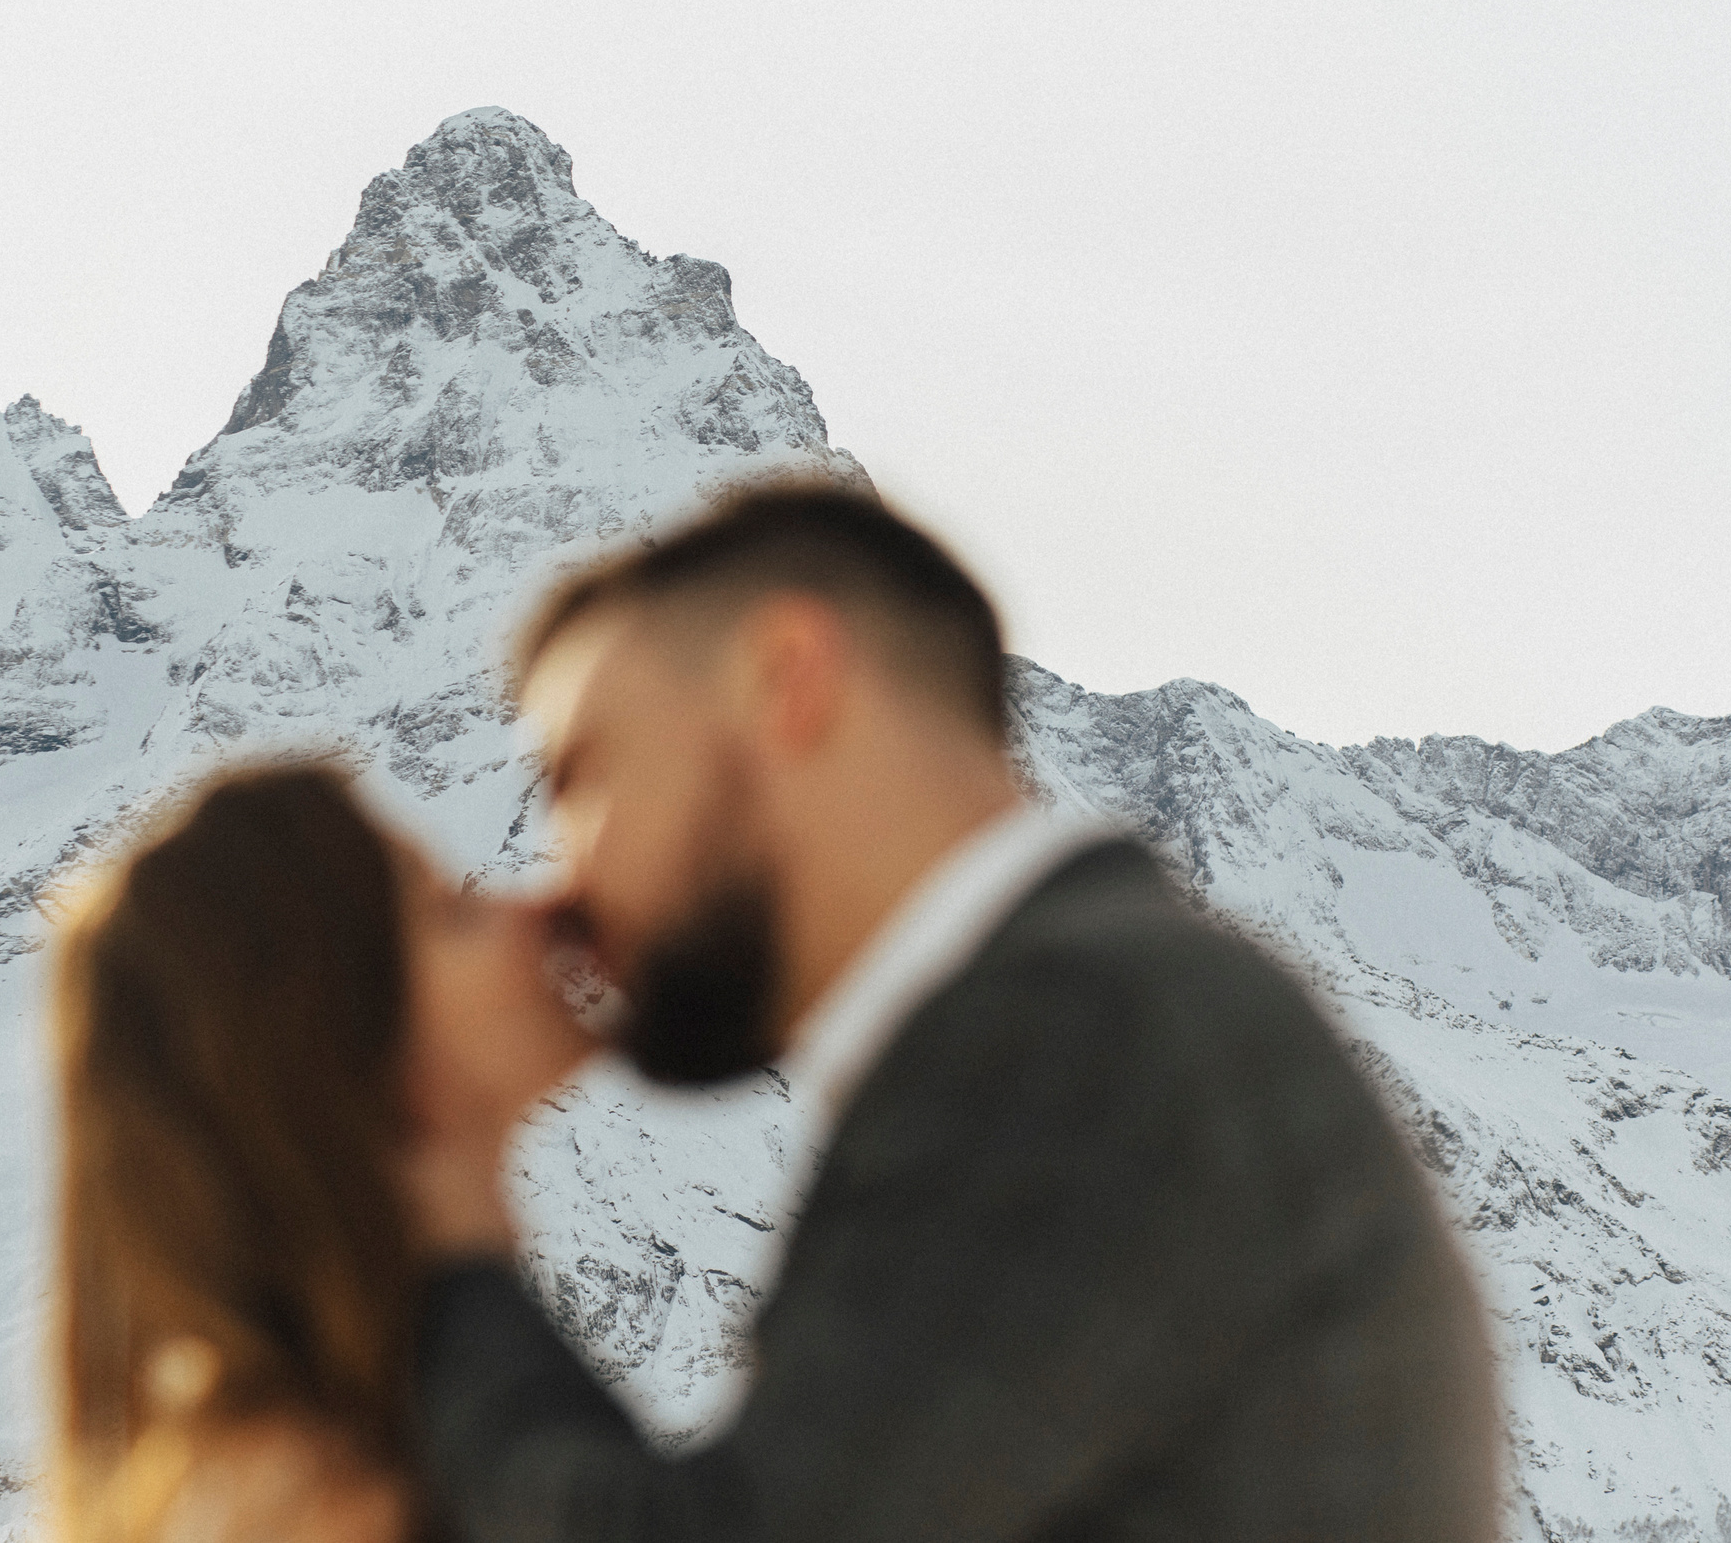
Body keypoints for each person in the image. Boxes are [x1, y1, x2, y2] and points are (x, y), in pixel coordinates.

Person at [401, 482, 1503, 1543]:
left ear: (788, 677)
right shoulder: (1116, 1005)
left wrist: (441, 1232)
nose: (559, 885)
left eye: (580, 777)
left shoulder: (1075, 1035)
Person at [46, 764, 529, 1543]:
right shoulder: (328, 1500)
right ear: (343, 1049)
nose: (529, 910)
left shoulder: (394, 1399)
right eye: (451, 911)